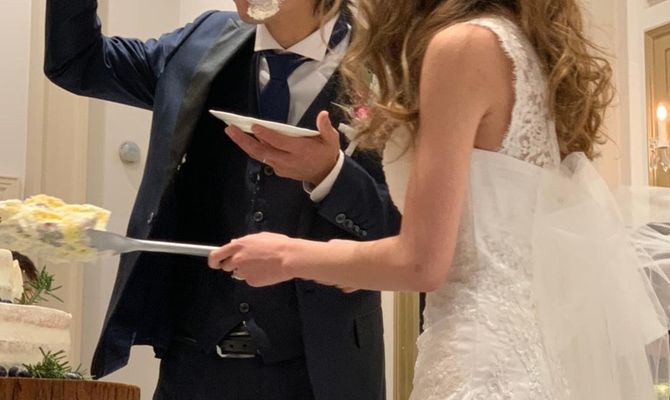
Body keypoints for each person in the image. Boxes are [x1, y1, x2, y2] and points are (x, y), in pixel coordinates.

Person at [208, 0, 670, 398]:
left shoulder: (462, 47)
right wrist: (350, 265)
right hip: (524, 351)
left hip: (479, 356)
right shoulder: (517, 46)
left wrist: (287, 255)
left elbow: (421, 262)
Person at [44, 1, 400, 399]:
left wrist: (330, 175)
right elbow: (77, 62)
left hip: (324, 373)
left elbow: (411, 234)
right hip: (192, 367)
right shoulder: (204, 42)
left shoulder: (388, 66)